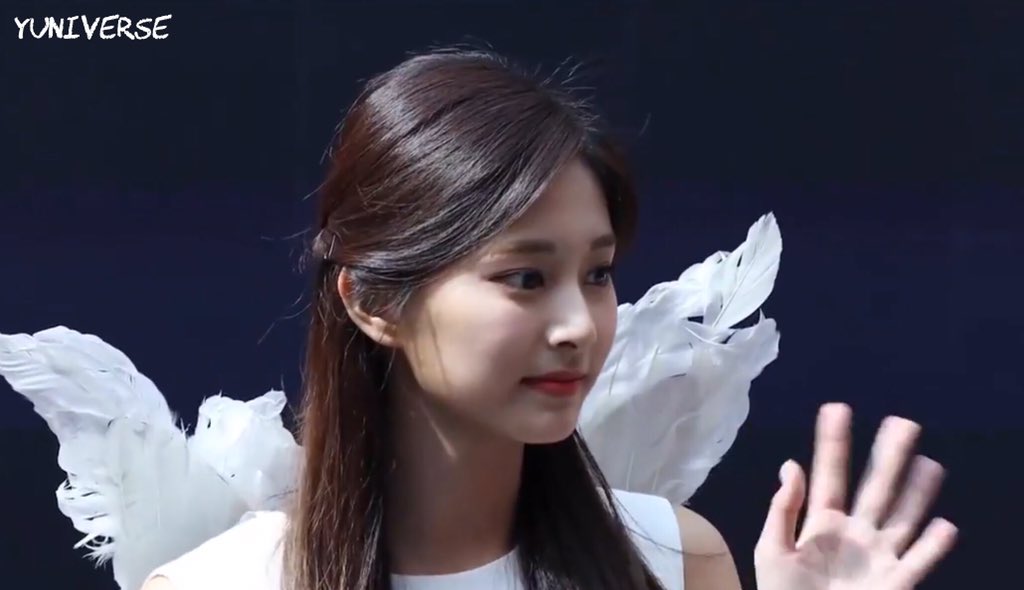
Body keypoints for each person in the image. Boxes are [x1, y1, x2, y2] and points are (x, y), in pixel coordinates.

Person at [72, 47, 956, 589]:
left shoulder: (674, 561)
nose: (580, 325)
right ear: (373, 302)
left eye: (598, 274)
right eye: (525, 278)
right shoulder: (224, 583)